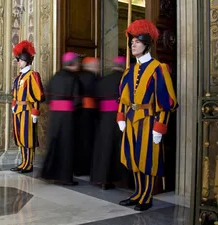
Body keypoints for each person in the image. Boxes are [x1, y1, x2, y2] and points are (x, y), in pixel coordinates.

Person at [116, 20, 178, 211]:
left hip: (149, 120)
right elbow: (122, 98)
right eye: (131, 41)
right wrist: (120, 117)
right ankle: (137, 192)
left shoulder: (158, 68)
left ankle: (147, 195)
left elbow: (166, 101)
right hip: (131, 119)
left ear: (147, 43)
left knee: (147, 159)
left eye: (137, 41)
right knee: (133, 158)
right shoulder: (129, 70)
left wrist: (160, 127)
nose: (132, 44)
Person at [40, 52, 82, 185]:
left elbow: (46, 97)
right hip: (67, 117)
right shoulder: (73, 78)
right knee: (66, 146)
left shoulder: (54, 77)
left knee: (53, 143)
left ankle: (49, 174)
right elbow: (77, 101)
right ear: (74, 63)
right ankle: (65, 178)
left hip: (54, 116)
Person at [90, 56, 126, 190]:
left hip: (103, 119)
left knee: (103, 149)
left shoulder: (103, 80)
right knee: (117, 149)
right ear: (123, 66)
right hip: (120, 118)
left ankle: (102, 179)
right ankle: (120, 180)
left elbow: (96, 100)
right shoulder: (125, 79)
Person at [10, 40, 45, 174]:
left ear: (26, 60)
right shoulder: (18, 77)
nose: (18, 62)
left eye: (19, 59)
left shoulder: (33, 76)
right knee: (20, 137)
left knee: (28, 138)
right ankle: (23, 162)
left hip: (28, 111)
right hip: (18, 110)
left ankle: (29, 164)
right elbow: (14, 95)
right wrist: (14, 105)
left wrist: (35, 113)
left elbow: (37, 96)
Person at [73, 57, 99, 176]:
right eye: (96, 65)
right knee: (88, 142)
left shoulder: (77, 76)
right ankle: (87, 168)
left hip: (78, 112)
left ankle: (77, 168)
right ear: (90, 66)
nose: (97, 67)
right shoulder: (94, 77)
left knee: (78, 141)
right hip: (90, 113)